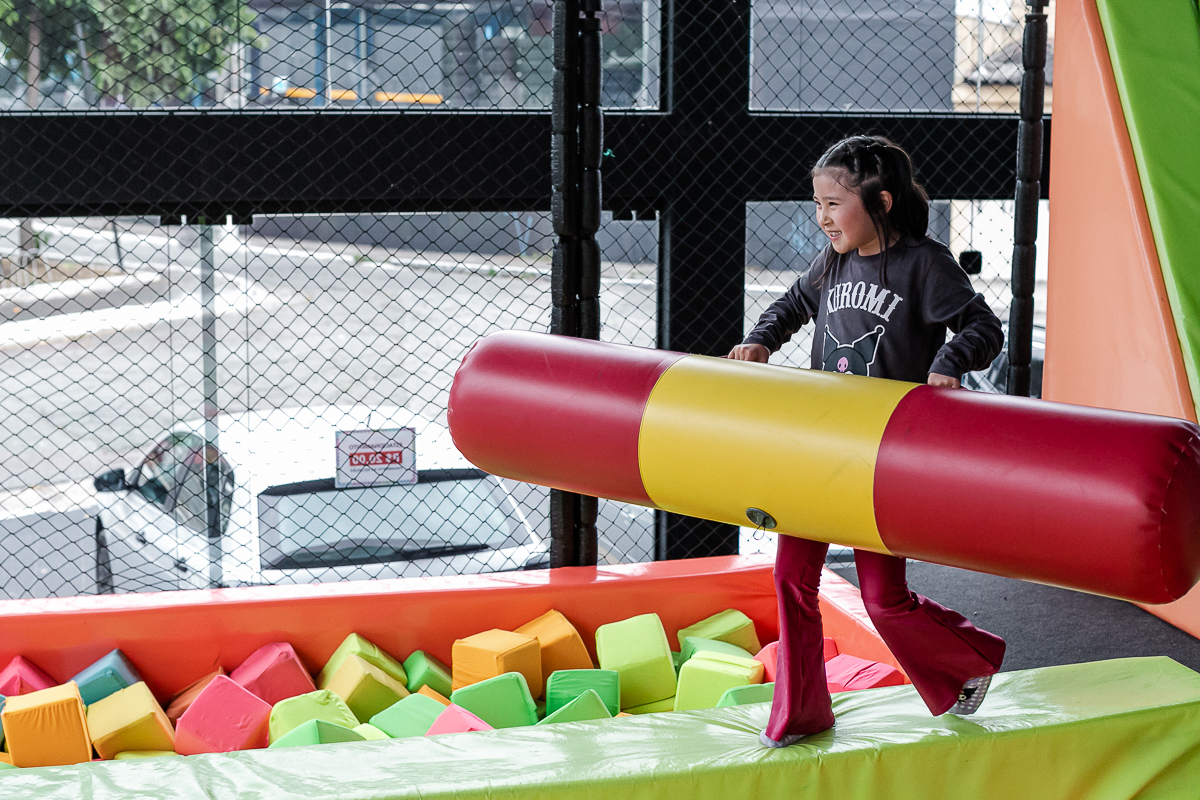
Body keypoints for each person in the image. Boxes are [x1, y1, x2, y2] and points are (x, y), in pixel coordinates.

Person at [728, 135, 1007, 748]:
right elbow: (793, 302)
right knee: (790, 580)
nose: (822, 217)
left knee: (884, 600)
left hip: (877, 456)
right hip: (818, 443)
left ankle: (969, 659)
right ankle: (801, 712)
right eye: (817, 204)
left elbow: (985, 325)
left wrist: (951, 358)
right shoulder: (831, 263)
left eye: (834, 204)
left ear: (879, 201)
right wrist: (761, 339)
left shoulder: (924, 265)